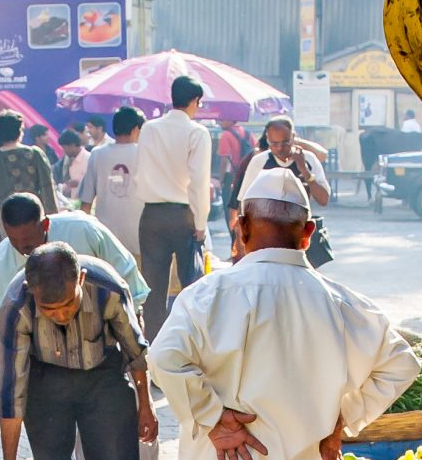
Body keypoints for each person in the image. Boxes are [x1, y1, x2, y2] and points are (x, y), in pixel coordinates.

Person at [148, 167, 420, 460]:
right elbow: (402, 364)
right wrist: (343, 418)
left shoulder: (208, 295)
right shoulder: (342, 304)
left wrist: (213, 416)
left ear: (241, 227)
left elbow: (163, 358)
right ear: (308, 234)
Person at [0, 245, 153, 460]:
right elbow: (10, 393)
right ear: (31, 290)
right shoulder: (16, 308)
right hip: (46, 381)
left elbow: (136, 353)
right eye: (49, 310)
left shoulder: (109, 289)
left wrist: (145, 406)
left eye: (68, 305)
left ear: (81, 279)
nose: (61, 315)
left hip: (103, 375)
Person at [0, 192, 147, 336]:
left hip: (102, 331)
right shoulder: (4, 258)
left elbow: (129, 280)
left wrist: (130, 326)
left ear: (45, 224)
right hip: (47, 346)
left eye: (28, 237)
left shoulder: (84, 230)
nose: (22, 246)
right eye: (13, 239)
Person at [134, 75, 213, 340]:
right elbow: (199, 182)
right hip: (184, 216)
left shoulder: (149, 129)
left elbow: (141, 171)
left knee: (153, 289)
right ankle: (190, 343)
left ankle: (155, 349)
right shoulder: (197, 133)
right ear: (195, 101)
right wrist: (200, 224)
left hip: (152, 215)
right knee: (191, 285)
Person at [230, 116, 329, 244]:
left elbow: (323, 199)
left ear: (293, 137)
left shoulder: (308, 160)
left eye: (285, 142)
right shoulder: (259, 161)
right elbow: (243, 202)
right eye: (274, 143)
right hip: (265, 234)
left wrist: (304, 170)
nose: (279, 148)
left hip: (299, 233)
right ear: (267, 140)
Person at [0, 111, 59, 254]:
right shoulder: (35, 154)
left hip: (2, 235)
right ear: (20, 131)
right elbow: (48, 193)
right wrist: (54, 229)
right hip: (35, 232)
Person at [78, 106, 145, 252]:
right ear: (136, 129)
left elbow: (86, 201)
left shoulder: (97, 154)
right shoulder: (145, 154)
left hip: (105, 239)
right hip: (138, 237)